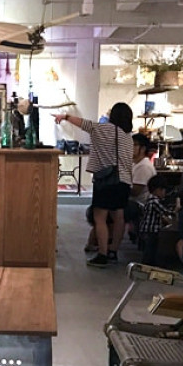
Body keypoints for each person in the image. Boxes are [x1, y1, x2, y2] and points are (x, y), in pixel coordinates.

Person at [54, 102, 133, 267]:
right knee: (118, 217)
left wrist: (66, 117)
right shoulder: (128, 136)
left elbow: (84, 124)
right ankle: (113, 252)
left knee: (100, 217)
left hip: (107, 181)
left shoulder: (105, 129)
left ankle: (102, 254)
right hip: (124, 181)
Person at [125, 133, 156, 241]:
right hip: (133, 201)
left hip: (140, 204)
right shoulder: (135, 164)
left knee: (113, 208)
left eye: (133, 145)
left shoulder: (144, 166)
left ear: (143, 149)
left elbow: (135, 192)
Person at [139, 175, 174, 265]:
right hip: (151, 230)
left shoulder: (149, 199)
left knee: (150, 248)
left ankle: (148, 263)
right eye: (163, 190)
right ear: (158, 190)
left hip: (147, 229)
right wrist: (175, 211)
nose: (164, 193)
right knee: (150, 248)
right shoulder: (154, 201)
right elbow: (165, 211)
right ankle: (147, 264)